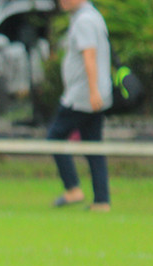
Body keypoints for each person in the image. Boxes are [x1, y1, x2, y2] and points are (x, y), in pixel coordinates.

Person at [48, 0, 112, 211]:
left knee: (54, 137)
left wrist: (93, 91)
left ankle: (73, 188)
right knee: (93, 146)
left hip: (82, 97)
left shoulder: (85, 20)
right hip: (90, 95)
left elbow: (89, 56)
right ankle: (101, 200)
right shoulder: (90, 16)